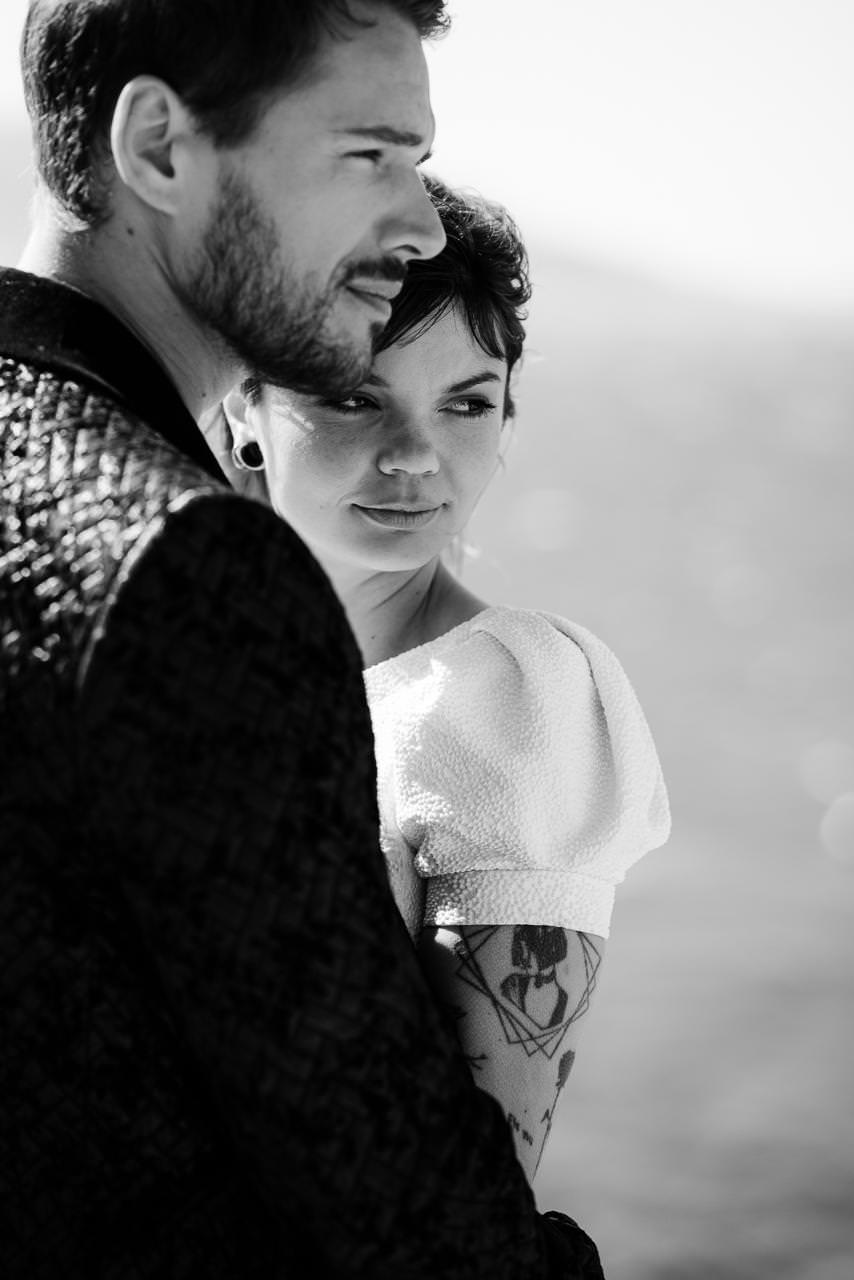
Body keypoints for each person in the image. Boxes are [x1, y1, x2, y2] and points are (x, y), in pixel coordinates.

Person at [0, 3, 605, 1277]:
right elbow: (412, 1225)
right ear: (159, 145)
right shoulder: (189, 569)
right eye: (369, 155)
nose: (423, 222)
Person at [222, 177, 672, 1181]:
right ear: (242, 405)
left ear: (507, 422)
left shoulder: (511, 695)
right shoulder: (195, 664)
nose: (417, 456)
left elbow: (478, 1183)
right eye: (351, 396)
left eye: (467, 402)